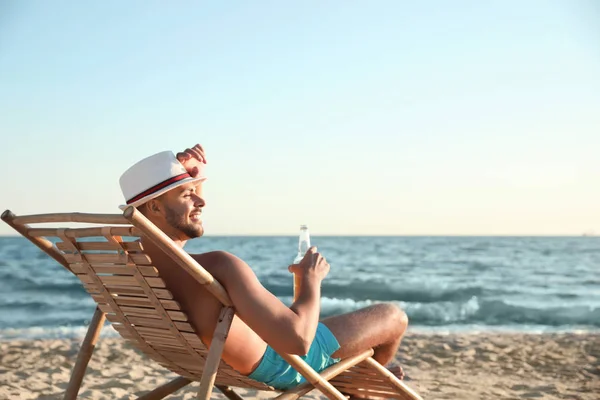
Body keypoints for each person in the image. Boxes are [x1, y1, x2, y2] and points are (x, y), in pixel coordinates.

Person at [118, 145, 409, 390]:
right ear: (154, 208)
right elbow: (298, 342)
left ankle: (355, 380)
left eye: (196, 190)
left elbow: (172, 219)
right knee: (393, 317)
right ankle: (359, 389)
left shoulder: (130, 265)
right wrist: (311, 279)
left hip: (203, 361)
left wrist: (195, 178)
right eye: (186, 194)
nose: (201, 200)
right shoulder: (220, 265)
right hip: (282, 364)